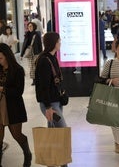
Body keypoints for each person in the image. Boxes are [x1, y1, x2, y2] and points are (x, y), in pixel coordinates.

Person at [35, 32, 68, 167]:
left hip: (56, 102)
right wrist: (48, 107)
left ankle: (52, 162)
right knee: (62, 130)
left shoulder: (53, 57)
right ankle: (63, 163)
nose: (60, 42)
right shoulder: (44, 60)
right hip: (50, 105)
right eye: (59, 40)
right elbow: (43, 86)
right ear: (54, 43)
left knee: (54, 132)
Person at [0, 43, 32, 167]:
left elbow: (19, 92)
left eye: (1, 58)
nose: (0, 61)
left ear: (7, 56)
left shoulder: (17, 70)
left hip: (13, 108)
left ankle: (27, 154)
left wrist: (2, 89)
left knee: (17, 135)